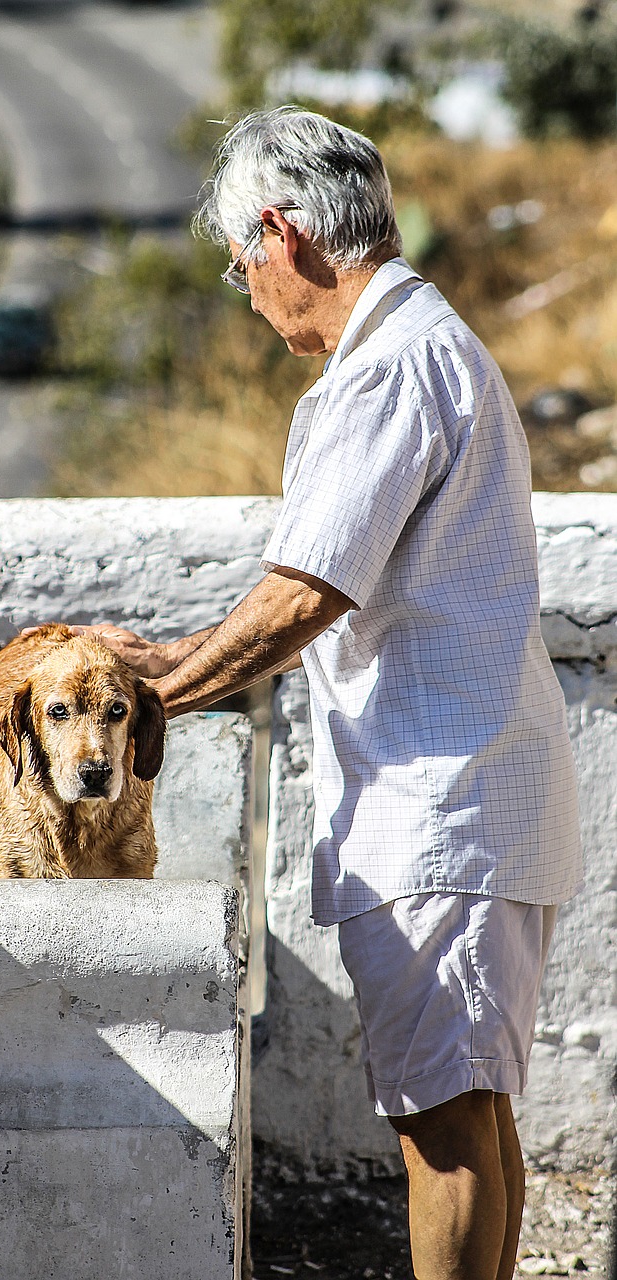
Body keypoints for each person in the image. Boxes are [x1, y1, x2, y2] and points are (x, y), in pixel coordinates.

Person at [71, 107, 583, 1280]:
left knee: (443, 1131)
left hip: (439, 806)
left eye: (238, 261)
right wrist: (171, 661)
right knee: (472, 1117)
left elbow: (307, 592)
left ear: (280, 231)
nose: (246, 292)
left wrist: (155, 703)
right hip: (475, 793)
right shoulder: (424, 341)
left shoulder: (391, 364)